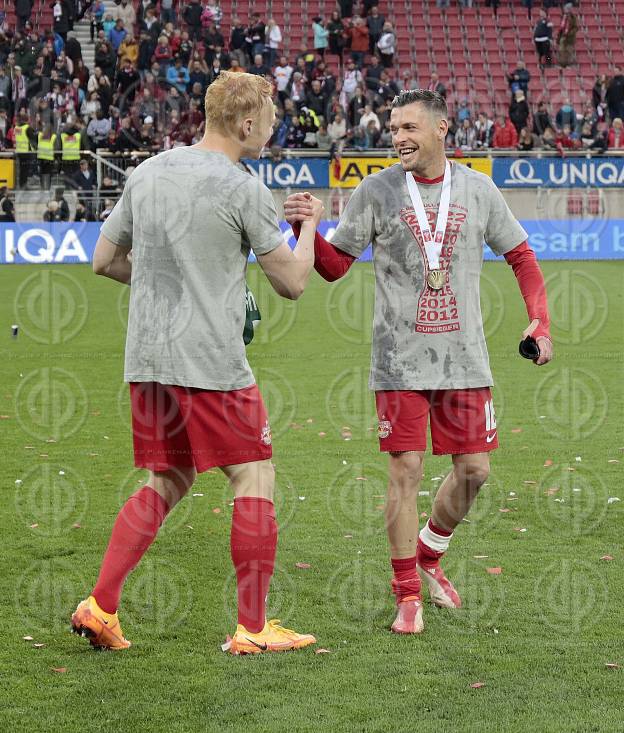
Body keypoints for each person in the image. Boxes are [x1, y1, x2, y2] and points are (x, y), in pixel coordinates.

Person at [71, 71, 323, 655]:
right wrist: (307, 228)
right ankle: (254, 629)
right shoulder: (242, 187)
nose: (273, 124)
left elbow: (105, 260)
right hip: (208, 361)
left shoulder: (148, 171)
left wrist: (180, 284)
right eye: (269, 116)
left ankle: (101, 606)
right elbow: (292, 283)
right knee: (254, 472)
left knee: (170, 477)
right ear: (245, 123)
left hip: (148, 361)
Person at [284, 89, 552, 635]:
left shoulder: (477, 189)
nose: (398, 137)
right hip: (399, 360)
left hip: (464, 360)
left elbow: (521, 256)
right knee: (405, 471)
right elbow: (335, 268)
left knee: (474, 470)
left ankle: (430, 552)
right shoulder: (376, 190)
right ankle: (408, 592)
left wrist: (538, 321)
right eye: (393, 127)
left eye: (408, 127)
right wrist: (305, 227)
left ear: (441, 129)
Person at [557, 3, 578, 68]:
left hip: (569, 38)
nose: (565, 10)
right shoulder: (563, 16)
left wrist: (570, 33)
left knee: (569, 51)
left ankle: (568, 65)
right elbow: (561, 26)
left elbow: (576, 28)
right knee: (561, 50)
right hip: (562, 36)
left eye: (566, 9)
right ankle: (562, 64)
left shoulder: (573, 17)